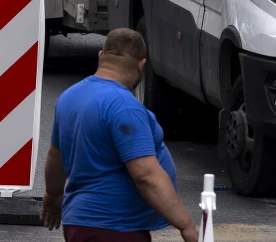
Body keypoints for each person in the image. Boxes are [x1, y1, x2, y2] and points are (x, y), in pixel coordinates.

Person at [42, 29, 200, 242]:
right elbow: (146, 176)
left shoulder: (69, 97)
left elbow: (55, 157)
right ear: (141, 66)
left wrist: (52, 195)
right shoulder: (124, 106)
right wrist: (186, 225)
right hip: (116, 228)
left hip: (79, 224)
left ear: (101, 56)